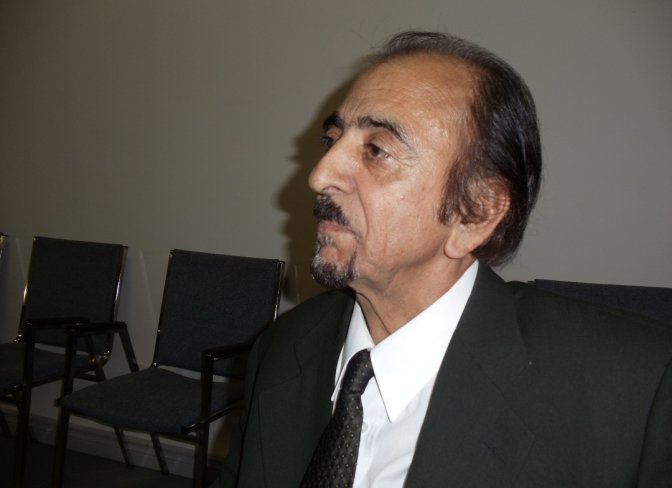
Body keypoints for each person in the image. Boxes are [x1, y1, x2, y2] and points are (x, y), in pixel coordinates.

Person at [213, 32, 672, 487]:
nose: (320, 175)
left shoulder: (635, 388)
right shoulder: (282, 347)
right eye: (332, 139)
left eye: (377, 150)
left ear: (475, 214)